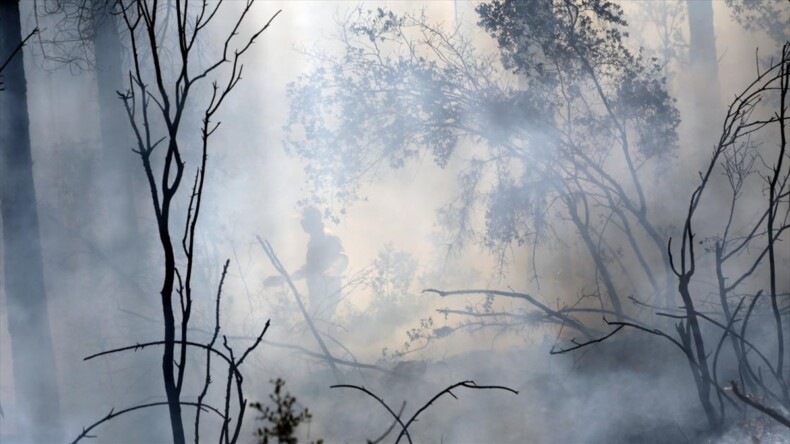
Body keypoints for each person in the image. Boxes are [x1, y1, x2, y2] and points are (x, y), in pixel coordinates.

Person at [264, 207, 348, 321]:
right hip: (319, 291)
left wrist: (332, 270)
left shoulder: (326, 236)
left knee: (319, 322)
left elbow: (342, 257)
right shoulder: (316, 238)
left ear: (312, 221)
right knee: (316, 322)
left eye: (304, 221)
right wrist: (284, 279)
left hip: (327, 290)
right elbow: (310, 269)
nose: (301, 224)